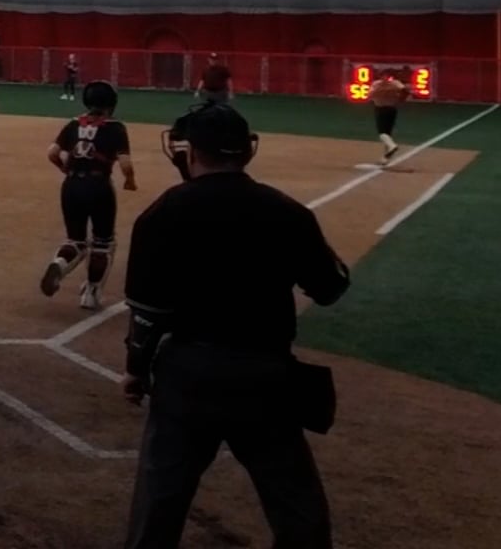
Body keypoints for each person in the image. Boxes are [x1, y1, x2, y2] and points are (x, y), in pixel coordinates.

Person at [121, 104, 351, 549]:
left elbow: (148, 312)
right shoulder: (286, 211)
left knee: (160, 499)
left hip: (188, 372)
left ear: (190, 152)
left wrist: (136, 368)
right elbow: (331, 287)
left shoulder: (164, 210)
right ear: (248, 150)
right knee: (295, 503)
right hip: (265, 373)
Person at [42, 81, 138, 310]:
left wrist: (64, 169)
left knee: (75, 240)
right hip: (99, 186)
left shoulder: (74, 123)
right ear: (111, 103)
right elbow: (125, 163)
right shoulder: (116, 127)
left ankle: (59, 264)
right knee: (103, 242)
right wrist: (130, 181)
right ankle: (91, 294)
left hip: (71, 185)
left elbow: (52, 152)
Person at [368, 72, 408, 163]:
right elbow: (405, 91)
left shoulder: (376, 84)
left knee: (382, 133)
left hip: (381, 109)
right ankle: (386, 157)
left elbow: (370, 95)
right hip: (391, 109)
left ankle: (392, 147)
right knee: (387, 134)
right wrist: (401, 99)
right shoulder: (395, 83)